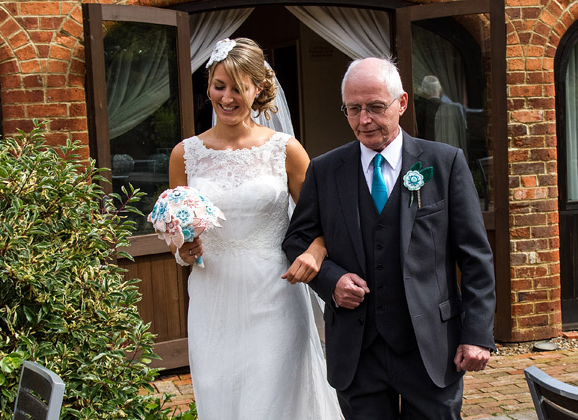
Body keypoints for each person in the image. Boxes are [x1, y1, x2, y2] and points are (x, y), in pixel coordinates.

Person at [283, 57, 496, 420]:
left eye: (375, 107)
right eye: (353, 109)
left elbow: (475, 257)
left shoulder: (445, 163)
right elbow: (296, 239)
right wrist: (331, 280)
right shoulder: (325, 170)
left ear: (402, 103)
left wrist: (477, 333)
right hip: (357, 349)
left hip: (431, 346)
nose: (364, 120)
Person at [168, 38, 342, 419]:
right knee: (219, 396)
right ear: (208, 86)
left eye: (238, 87)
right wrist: (183, 248)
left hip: (274, 294)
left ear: (258, 88)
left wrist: (315, 251)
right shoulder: (185, 155)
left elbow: (327, 220)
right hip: (212, 296)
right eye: (218, 85)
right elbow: (179, 235)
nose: (227, 97)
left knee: (271, 400)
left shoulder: (285, 149)